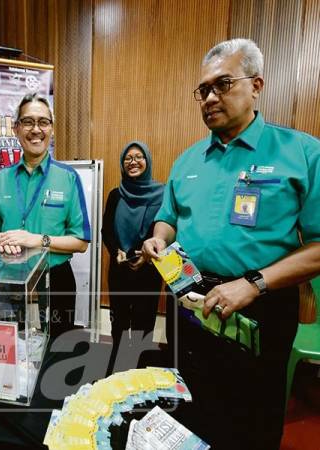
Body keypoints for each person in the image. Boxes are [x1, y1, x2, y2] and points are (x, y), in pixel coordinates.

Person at [142, 38, 320, 450]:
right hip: (189, 299)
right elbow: (168, 218)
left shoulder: (301, 153)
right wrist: (157, 238)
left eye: (222, 84)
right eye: (203, 90)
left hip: (260, 305)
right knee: (190, 407)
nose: (209, 97)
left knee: (252, 419)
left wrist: (253, 283)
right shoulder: (187, 160)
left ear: (256, 85)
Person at [0, 93, 91, 338]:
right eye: (28, 122)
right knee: (14, 346)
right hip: (10, 279)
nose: (36, 129)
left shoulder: (68, 178)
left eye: (43, 122)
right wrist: (3, 239)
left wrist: (37, 240)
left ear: (51, 129)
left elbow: (81, 242)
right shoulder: (1, 180)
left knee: (57, 350)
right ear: (16, 128)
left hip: (56, 279)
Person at [101, 141, 164, 362]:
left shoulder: (162, 194)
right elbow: (106, 229)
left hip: (149, 269)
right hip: (119, 268)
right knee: (119, 322)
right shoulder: (115, 195)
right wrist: (116, 251)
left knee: (143, 322)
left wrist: (145, 256)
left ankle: (140, 367)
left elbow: (164, 228)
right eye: (128, 158)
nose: (133, 162)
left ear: (147, 161)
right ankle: (118, 362)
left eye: (138, 157)